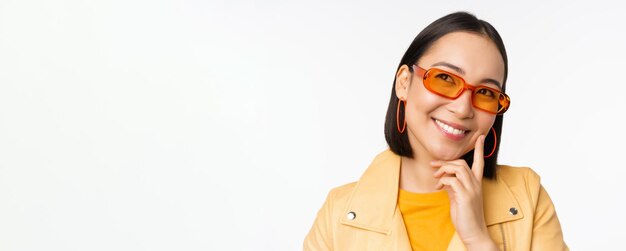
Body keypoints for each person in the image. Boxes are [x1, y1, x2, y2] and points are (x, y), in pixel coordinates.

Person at [303, 11, 568, 251]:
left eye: (486, 92)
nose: (463, 108)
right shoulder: (338, 215)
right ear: (404, 83)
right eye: (445, 78)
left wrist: (478, 238)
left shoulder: (526, 197)